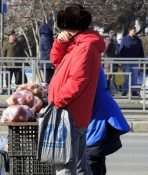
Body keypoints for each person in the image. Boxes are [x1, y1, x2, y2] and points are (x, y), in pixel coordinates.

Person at [48, 4, 105, 174]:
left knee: (66, 165)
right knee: (79, 166)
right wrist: (59, 43)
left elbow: (77, 81)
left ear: (70, 27)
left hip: (70, 113)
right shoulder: (79, 44)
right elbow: (57, 62)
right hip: (73, 112)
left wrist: (57, 102)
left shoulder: (85, 48)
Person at [87, 67, 130, 175]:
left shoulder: (87, 57)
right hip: (99, 114)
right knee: (95, 156)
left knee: (93, 155)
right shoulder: (91, 57)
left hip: (97, 116)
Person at [118, 26, 144, 96]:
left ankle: (134, 91)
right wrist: (120, 60)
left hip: (136, 61)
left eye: (135, 31)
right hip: (127, 61)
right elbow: (121, 50)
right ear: (130, 31)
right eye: (134, 31)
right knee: (126, 76)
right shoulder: (124, 40)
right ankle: (125, 91)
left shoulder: (138, 40)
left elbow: (141, 51)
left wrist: (142, 62)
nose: (135, 32)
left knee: (135, 76)